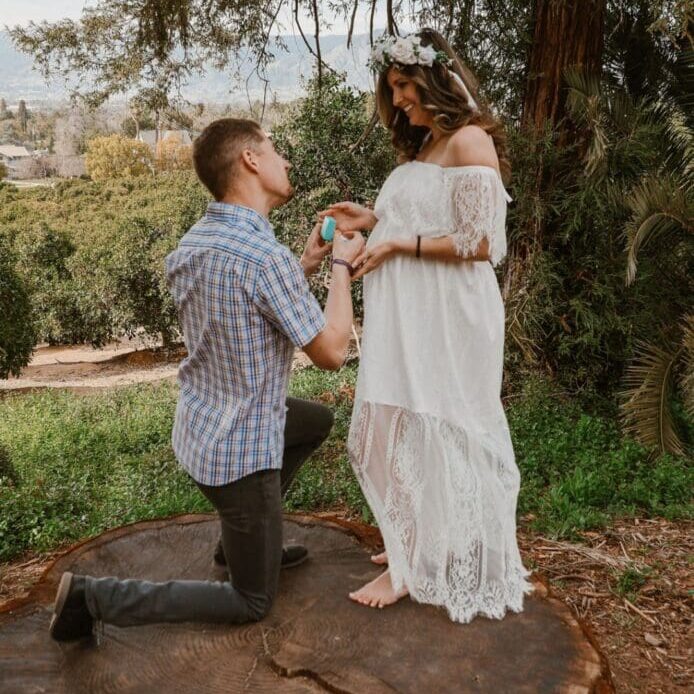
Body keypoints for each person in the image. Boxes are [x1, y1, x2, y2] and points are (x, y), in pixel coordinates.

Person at [49, 118, 364, 641]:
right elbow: (331, 351)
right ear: (250, 161)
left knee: (313, 420)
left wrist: (303, 264)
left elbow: (246, 299)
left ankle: (240, 540)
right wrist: (340, 267)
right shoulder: (264, 259)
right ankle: (93, 596)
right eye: (275, 149)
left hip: (202, 435)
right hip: (243, 459)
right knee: (252, 601)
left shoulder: (198, 241)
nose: (284, 160)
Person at [321, 29, 535, 623]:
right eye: (392, 90)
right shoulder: (423, 150)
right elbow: (422, 215)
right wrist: (374, 218)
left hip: (450, 316)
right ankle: (413, 544)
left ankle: (412, 565)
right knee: (387, 429)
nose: (400, 101)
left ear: (434, 78)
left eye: (403, 86)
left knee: (444, 424)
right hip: (409, 317)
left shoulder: (469, 142)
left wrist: (395, 245)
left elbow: (481, 241)